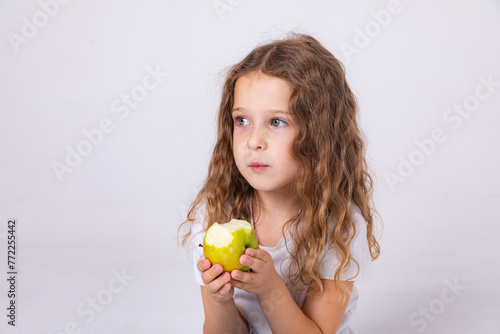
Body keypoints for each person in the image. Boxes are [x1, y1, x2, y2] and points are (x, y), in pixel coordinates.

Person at [177, 32, 381, 334]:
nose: (254, 142)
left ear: (319, 135)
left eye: (276, 122)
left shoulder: (338, 225)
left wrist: (270, 287)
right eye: (242, 121)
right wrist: (218, 299)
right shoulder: (215, 212)